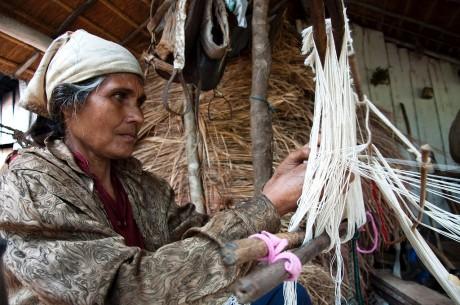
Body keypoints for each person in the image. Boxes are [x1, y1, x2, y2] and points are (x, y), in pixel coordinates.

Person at [0, 30, 311, 305]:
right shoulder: (31, 182)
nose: (137, 116)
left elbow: (196, 239)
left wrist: (276, 192)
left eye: (139, 101)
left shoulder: (140, 184)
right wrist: (266, 205)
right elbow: (123, 290)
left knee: (285, 293)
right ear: (69, 105)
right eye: (119, 97)